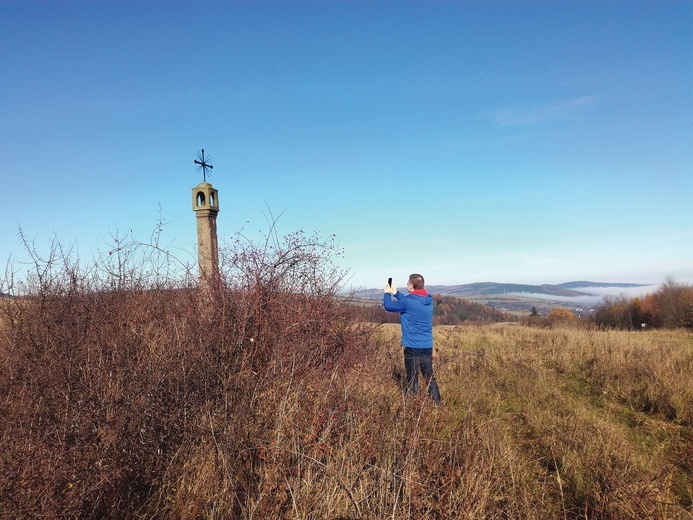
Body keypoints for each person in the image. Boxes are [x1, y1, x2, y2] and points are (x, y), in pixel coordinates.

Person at [383, 273, 441, 403]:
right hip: (426, 345)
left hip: (412, 346)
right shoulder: (428, 300)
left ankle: (413, 406)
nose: (407, 285)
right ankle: (437, 403)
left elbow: (388, 306)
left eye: (408, 283)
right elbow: (411, 301)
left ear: (411, 286)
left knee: (412, 377)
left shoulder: (408, 302)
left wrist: (387, 293)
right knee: (428, 375)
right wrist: (396, 293)